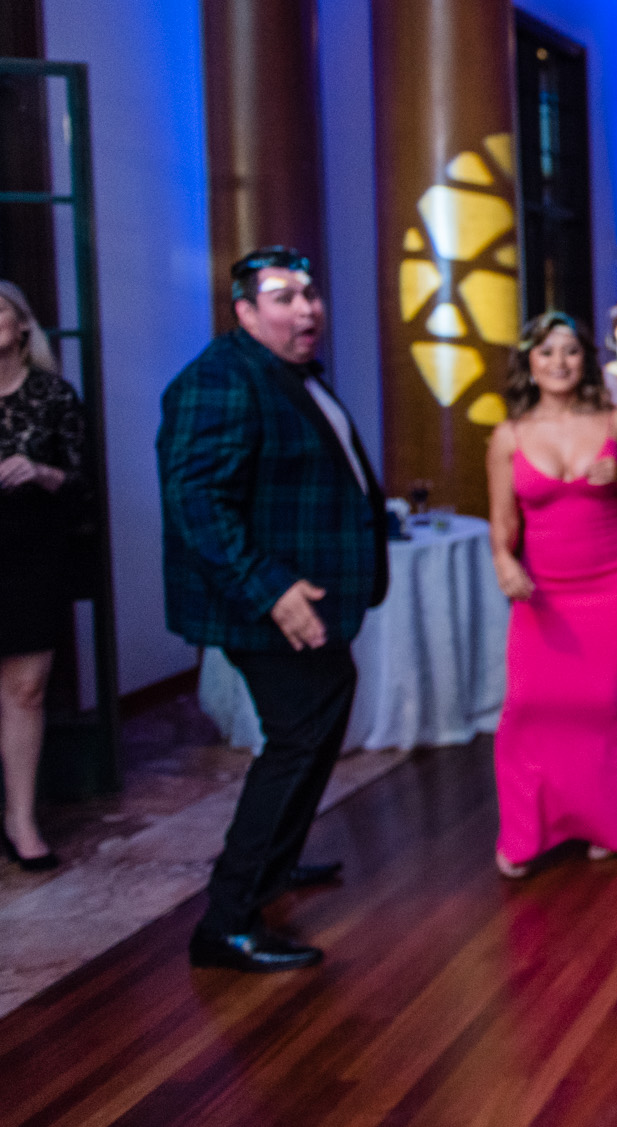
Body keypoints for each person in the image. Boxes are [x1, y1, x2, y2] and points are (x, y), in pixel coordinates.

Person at [158, 248, 386, 972]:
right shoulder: (221, 378)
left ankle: (275, 864)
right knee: (296, 740)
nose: (307, 308)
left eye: (310, 293)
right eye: (284, 297)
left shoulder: (286, 373)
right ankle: (225, 922)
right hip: (268, 600)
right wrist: (270, 586)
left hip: (305, 595)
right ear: (245, 311)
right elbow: (196, 502)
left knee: (317, 722)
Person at [485, 312, 617, 880]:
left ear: (585, 360)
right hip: (544, 592)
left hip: (612, 581)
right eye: (547, 352)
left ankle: (606, 825)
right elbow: (502, 524)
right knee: (529, 707)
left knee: (603, 707)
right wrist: (504, 561)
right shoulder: (509, 435)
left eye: (570, 351)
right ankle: (525, 834)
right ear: (529, 361)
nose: (559, 362)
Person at [0, 281, 86, 871]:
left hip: (29, 552)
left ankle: (22, 819)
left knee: (25, 691)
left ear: (22, 325)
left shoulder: (53, 394)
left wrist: (38, 471)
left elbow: (78, 480)